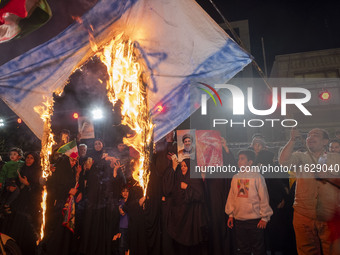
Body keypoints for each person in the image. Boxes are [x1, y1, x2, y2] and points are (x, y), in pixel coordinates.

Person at [279, 128, 340, 255]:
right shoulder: (300, 156)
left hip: (329, 214)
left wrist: (329, 176)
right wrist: (292, 140)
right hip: (303, 213)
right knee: (306, 250)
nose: (310, 137)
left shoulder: (336, 158)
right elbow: (283, 162)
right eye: (308, 135)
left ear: (325, 141)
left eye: (315, 135)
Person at [80, 138, 123, 255]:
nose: (97, 145)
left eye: (99, 143)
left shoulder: (108, 157)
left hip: (104, 195)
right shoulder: (91, 158)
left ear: (103, 144)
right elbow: (86, 174)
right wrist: (85, 169)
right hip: (92, 194)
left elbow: (113, 176)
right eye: (95, 143)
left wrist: (109, 161)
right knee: (90, 219)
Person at [225, 150, 273, 255]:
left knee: (258, 248)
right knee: (242, 248)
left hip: (255, 220)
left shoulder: (257, 177)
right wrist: (231, 215)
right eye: (239, 159)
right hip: (239, 220)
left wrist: (265, 217)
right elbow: (232, 196)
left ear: (250, 162)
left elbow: (264, 197)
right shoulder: (235, 177)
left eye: (242, 159)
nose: (239, 161)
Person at [164, 158, 208, 255]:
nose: (183, 168)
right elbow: (171, 191)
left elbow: (200, 195)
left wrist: (187, 187)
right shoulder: (179, 177)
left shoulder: (195, 179)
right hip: (181, 216)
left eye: (185, 166)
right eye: (182, 166)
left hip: (191, 217)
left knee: (191, 245)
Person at [44, 153, 83, 255]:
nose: (73, 163)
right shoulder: (59, 170)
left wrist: (77, 174)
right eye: (72, 160)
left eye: (75, 161)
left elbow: (73, 184)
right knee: (57, 228)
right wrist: (68, 190)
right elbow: (54, 186)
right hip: (59, 203)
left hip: (68, 202)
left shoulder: (71, 171)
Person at [0, 147, 24, 214]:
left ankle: (6, 206)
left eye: (14, 154)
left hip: (15, 180)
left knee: (16, 191)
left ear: (19, 156)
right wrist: (1, 182)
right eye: (11, 154)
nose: (12, 156)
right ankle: (6, 205)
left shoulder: (21, 163)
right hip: (8, 180)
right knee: (16, 190)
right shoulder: (7, 164)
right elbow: (2, 174)